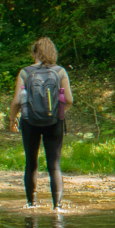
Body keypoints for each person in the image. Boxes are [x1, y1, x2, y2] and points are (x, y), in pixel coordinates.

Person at [10, 38, 73, 209]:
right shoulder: (60, 72)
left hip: (29, 121)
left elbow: (17, 101)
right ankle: (57, 207)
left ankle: (31, 204)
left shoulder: (25, 72)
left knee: (31, 163)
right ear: (53, 53)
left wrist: (12, 119)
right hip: (54, 122)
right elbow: (68, 99)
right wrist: (57, 113)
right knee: (54, 164)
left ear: (34, 53)